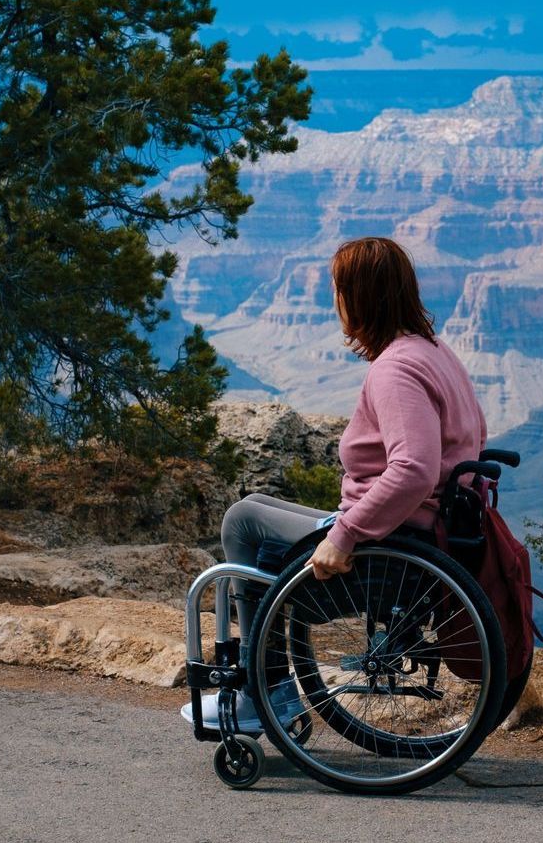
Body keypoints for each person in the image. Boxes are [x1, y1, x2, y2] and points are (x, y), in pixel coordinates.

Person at [181, 236, 489, 733]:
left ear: (361, 297)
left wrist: (343, 535)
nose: (334, 303)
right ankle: (268, 690)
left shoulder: (395, 370)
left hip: (389, 545)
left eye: (338, 291)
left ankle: (265, 694)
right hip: (421, 531)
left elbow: (413, 469)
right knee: (256, 509)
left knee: (243, 519)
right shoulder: (435, 352)